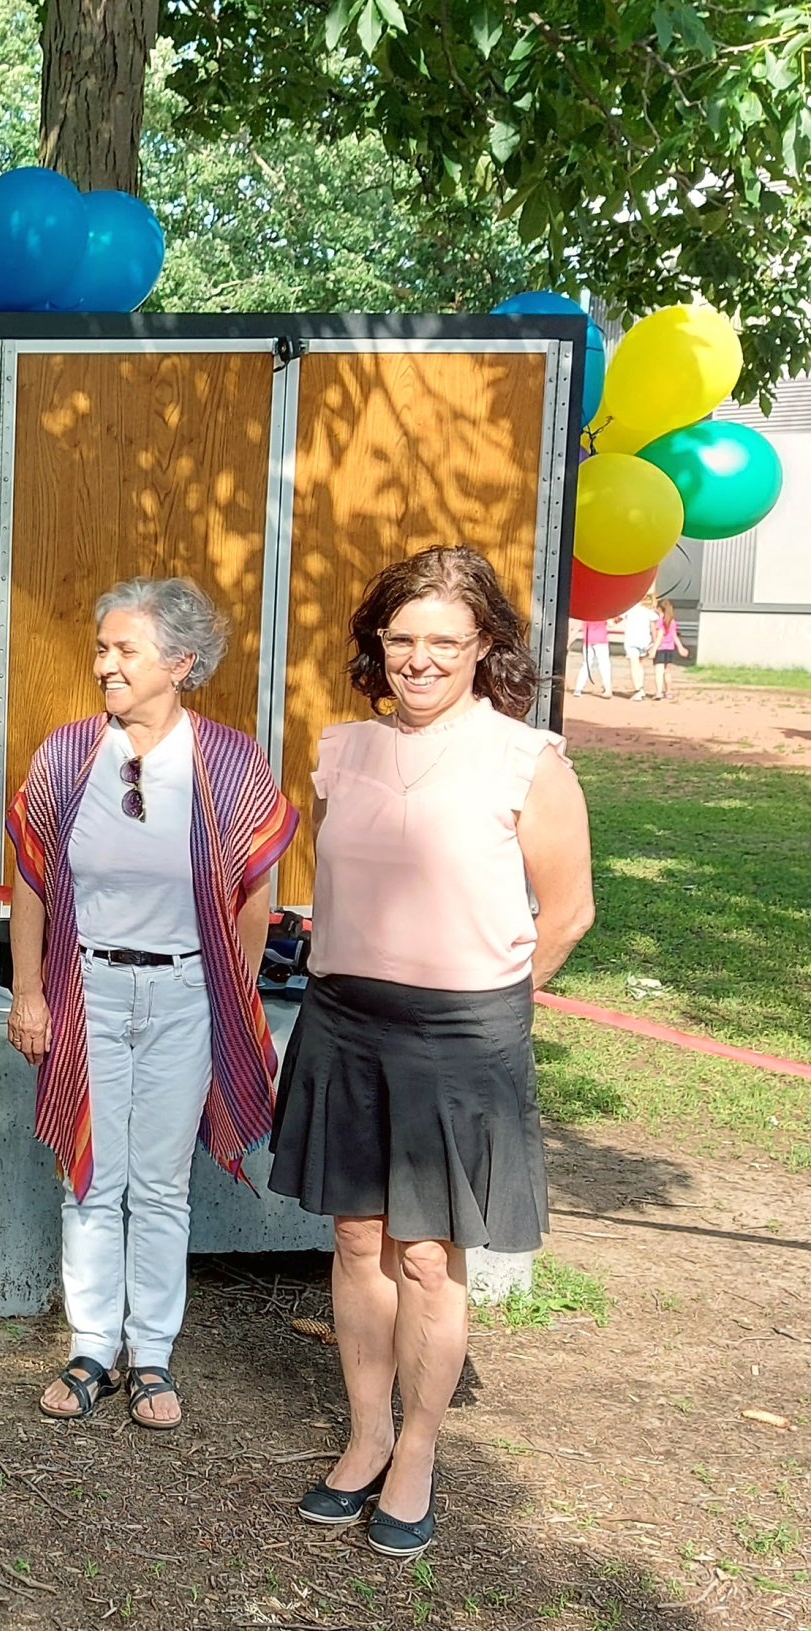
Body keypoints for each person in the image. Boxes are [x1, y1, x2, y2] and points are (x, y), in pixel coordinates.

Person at [271, 546, 593, 1559]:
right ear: (377, 642)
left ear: (484, 644)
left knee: (426, 1250)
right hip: (343, 1017)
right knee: (357, 1240)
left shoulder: (526, 759)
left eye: (443, 641)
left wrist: (484, 1004)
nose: (418, 659)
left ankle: (415, 1449)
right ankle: (363, 1436)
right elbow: (342, 884)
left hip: (462, 1034)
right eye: (401, 638)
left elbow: (569, 911)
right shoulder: (339, 749)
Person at [5, 577, 296, 1431]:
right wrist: (29, 990)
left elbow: (254, 894)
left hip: (186, 993)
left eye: (123, 650)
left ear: (180, 661)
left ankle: (154, 1355)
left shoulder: (231, 762)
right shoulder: (65, 756)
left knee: (162, 1181)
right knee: (90, 1175)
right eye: (102, 648)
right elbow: (31, 884)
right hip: (84, 986)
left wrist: (230, 996)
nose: (104, 665)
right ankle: (93, 1344)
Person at [620, 593, 660, 700]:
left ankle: (638, 690)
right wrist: (654, 642)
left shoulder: (629, 609)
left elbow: (617, 618)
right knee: (640, 664)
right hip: (644, 640)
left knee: (634, 665)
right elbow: (653, 627)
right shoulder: (647, 611)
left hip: (631, 640)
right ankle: (641, 688)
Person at [652, 594, 686, 698]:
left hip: (661, 648)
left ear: (659, 609)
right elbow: (674, 636)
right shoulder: (672, 622)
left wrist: (654, 648)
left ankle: (658, 692)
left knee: (659, 671)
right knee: (667, 672)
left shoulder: (659, 622)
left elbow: (659, 636)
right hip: (670, 649)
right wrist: (680, 647)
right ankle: (669, 692)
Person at [570, 614, 612, 697]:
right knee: (604, 664)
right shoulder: (604, 611)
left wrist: (569, 641)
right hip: (601, 639)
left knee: (586, 664)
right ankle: (608, 688)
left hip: (588, 640)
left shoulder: (587, 612)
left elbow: (577, 627)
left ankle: (578, 688)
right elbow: (611, 624)